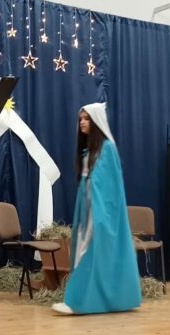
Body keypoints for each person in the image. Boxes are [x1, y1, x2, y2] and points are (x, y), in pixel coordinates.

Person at [51, 103, 142, 315]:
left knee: (90, 249)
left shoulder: (107, 148)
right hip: (87, 205)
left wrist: (100, 213)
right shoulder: (90, 150)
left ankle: (78, 302)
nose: (82, 122)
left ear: (97, 122)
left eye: (87, 119)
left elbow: (109, 185)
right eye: (80, 119)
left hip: (99, 208)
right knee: (83, 248)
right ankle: (88, 299)